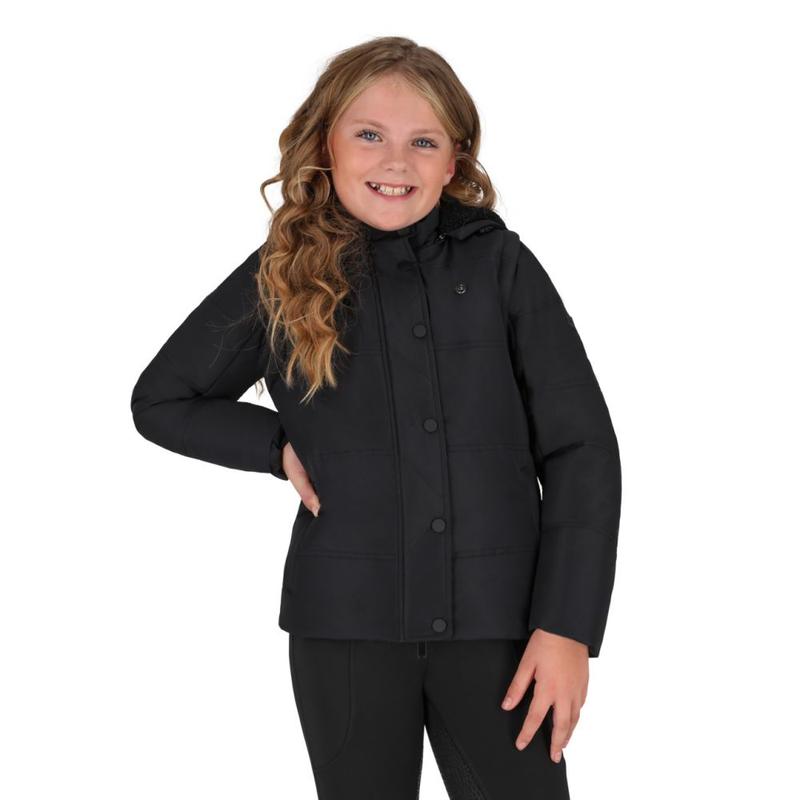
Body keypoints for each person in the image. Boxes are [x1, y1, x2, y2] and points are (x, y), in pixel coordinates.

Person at [131, 36, 622, 800]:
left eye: (423, 141)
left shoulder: (500, 267)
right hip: (345, 629)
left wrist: (567, 628)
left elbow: (581, 449)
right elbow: (162, 400)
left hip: (501, 626)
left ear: (454, 162)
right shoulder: (283, 274)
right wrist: (277, 446)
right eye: (369, 134)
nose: (396, 161)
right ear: (326, 144)